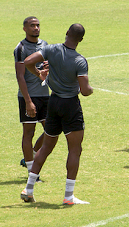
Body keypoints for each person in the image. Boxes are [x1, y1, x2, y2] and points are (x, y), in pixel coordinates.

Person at [20, 24, 93, 205]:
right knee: (75, 149)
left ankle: (28, 189)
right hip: (70, 105)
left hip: (53, 102)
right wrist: (91, 88)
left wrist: (39, 74)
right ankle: (68, 196)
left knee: (46, 146)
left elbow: (28, 61)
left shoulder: (51, 49)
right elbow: (84, 91)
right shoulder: (79, 61)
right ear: (81, 40)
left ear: (67, 33)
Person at [14, 16, 48, 173]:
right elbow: (20, 76)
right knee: (29, 133)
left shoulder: (45, 45)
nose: (36, 28)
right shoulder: (21, 48)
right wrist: (28, 102)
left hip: (45, 96)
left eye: (38, 25)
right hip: (28, 96)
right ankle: (31, 171)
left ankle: (32, 153)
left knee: (52, 130)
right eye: (32, 25)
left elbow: (47, 68)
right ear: (25, 29)